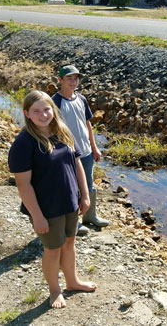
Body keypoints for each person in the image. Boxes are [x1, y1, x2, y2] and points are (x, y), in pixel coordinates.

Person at [8, 90, 96, 308]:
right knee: (52, 249)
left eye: (46, 109)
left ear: (53, 110)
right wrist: (37, 216)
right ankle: (54, 291)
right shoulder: (24, 143)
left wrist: (85, 195)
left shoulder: (62, 132)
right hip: (47, 207)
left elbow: (77, 165)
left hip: (70, 201)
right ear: (27, 113)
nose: (43, 115)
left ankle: (72, 281)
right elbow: (23, 184)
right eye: (36, 111)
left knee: (70, 242)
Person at [52, 65, 109, 231]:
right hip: (67, 153)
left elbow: (87, 124)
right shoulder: (55, 101)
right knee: (71, 186)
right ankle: (73, 222)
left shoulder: (81, 99)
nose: (73, 81)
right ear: (60, 80)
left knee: (88, 184)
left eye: (76, 78)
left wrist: (94, 147)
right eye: (69, 78)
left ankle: (90, 216)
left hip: (86, 151)